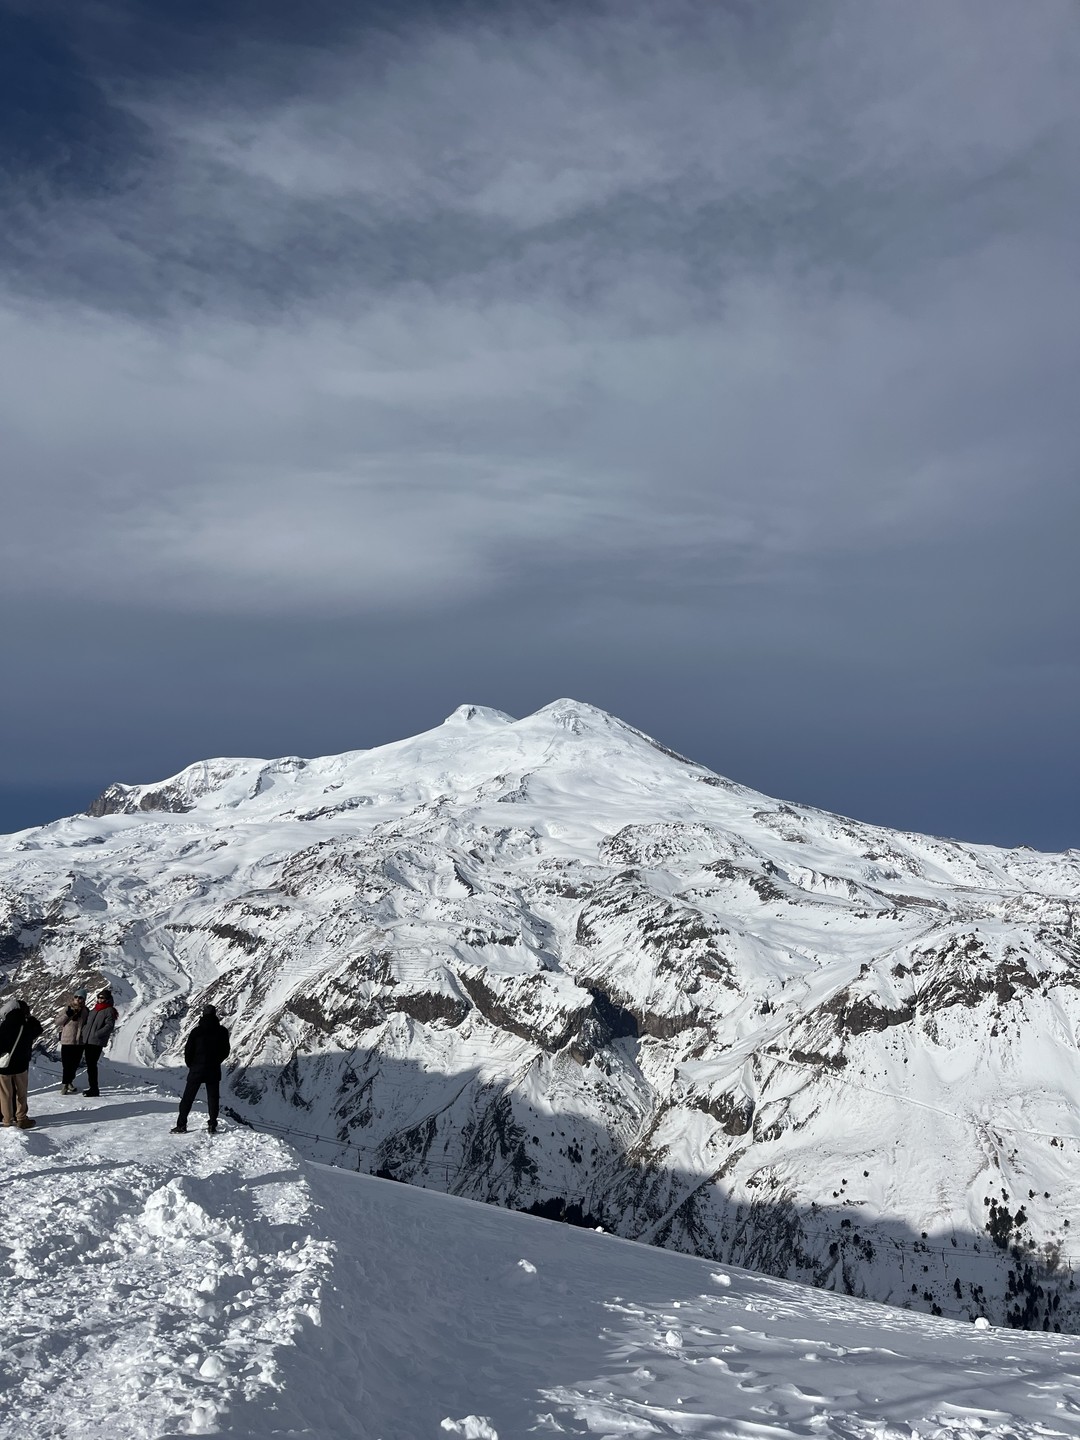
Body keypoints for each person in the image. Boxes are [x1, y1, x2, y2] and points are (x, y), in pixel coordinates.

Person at [171, 1004, 230, 1135]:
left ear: (203, 1015)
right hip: (213, 1069)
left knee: (188, 1098)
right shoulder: (222, 1031)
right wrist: (216, 1061)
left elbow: (188, 1051)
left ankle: (181, 1125)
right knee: (213, 1098)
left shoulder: (196, 1032)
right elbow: (225, 1051)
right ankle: (212, 1125)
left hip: (197, 1068)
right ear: (215, 1015)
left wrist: (192, 1065)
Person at [0, 994, 44, 1129]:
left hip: (4, 1066)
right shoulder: (26, 1024)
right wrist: (29, 1017)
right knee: (21, 1093)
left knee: (5, 1094)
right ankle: (21, 1118)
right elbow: (39, 1029)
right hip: (21, 1065)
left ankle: (7, 1120)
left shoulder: (3, 1026)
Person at [80, 988, 118, 1098]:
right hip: (88, 1040)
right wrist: (84, 1032)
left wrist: (97, 1034)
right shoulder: (95, 1010)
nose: (100, 999)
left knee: (92, 1065)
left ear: (107, 999)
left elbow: (109, 1026)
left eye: (102, 998)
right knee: (90, 1064)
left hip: (96, 1041)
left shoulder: (109, 1010)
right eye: (99, 997)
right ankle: (92, 1088)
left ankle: (94, 1089)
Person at [56, 989, 88, 1094]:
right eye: (76, 997)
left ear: (84, 999)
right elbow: (58, 1021)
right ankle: (65, 1084)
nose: (78, 999)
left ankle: (69, 1082)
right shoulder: (67, 1009)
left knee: (74, 1064)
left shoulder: (85, 1011)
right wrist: (67, 1015)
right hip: (67, 1041)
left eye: (80, 997)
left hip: (79, 1042)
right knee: (67, 1064)